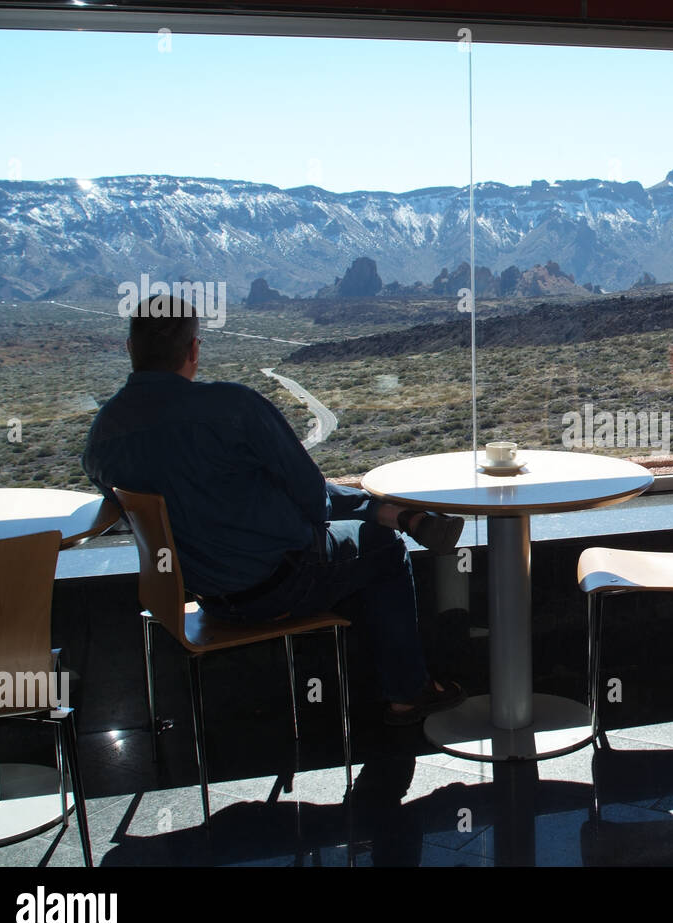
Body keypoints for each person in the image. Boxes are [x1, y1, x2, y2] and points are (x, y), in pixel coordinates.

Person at [83, 295, 465, 726]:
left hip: (202, 596)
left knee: (285, 501)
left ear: (130, 349)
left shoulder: (102, 434)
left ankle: (398, 516)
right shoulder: (233, 407)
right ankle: (407, 691)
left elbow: (127, 503)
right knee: (383, 548)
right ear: (193, 351)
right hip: (280, 584)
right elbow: (311, 499)